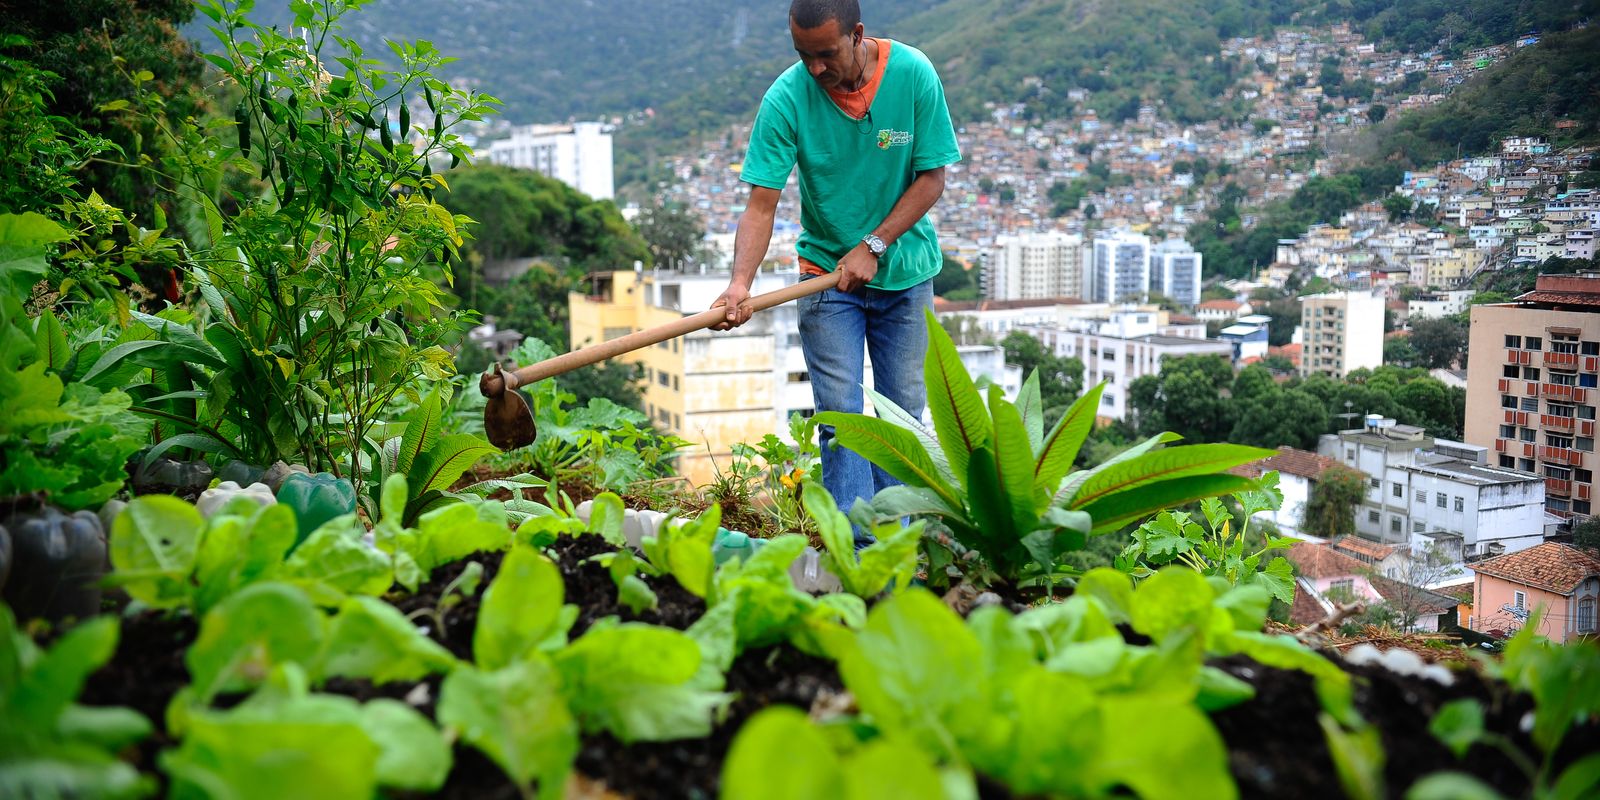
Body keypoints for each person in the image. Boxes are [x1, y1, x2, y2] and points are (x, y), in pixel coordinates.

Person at [711, 0, 960, 545]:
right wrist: (739, 285)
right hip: (825, 277)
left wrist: (874, 244)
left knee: (899, 420)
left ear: (857, 35)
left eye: (826, 55)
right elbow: (761, 203)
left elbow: (932, 178)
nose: (815, 69)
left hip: (906, 273)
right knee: (841, 416)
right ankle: (856, 548)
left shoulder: (913, 75)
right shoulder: (787, 97)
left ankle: (898, 543)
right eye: (804, 56)